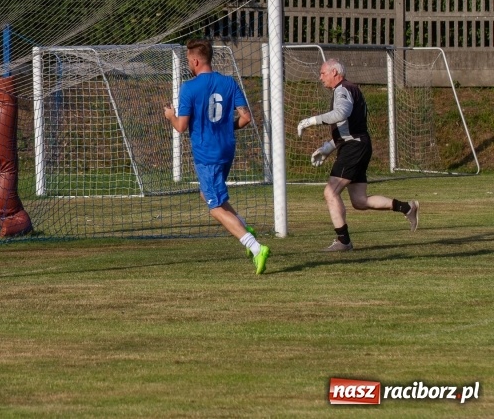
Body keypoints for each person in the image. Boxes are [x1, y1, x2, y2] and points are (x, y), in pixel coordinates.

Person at [164, 38, 271, 274]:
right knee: (208, 194)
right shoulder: (229, 83)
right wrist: (226, 127)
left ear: (194, 60)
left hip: (207, 154)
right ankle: (244, 226)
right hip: (226, 149)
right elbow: (245, 118)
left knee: (214, 207)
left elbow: (181, 127)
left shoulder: (189, 88)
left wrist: (170, 115)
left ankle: (255, 247)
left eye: (188, 61)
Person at [297, 58, 420, 251]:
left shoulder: (342, 89)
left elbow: (341, 114)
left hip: (354, 147)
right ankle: (407, 207)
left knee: (330, 192)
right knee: (360, 201)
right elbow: (349, 126)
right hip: (358, 144)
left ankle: (343, 241)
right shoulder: (349, 89)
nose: (320, 77)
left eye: (323, 73)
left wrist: (310, 121)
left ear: (335, 73)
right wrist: (329, 148)